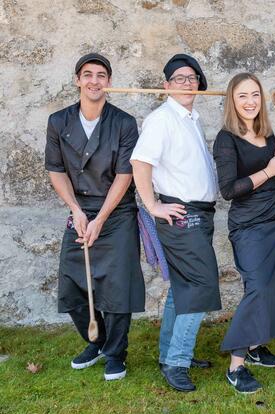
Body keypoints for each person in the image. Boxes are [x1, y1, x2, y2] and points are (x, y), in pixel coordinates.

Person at [44, 53, 145, 381]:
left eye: (101, 75)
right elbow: (56, 170)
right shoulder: (59, 122)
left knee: (117, 287)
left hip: (116, 213)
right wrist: (76, 210)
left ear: (109, 82)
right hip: (79, 210)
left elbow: (124, 174)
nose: (94, 81)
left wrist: (100, 218)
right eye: (87, 75)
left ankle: (116, 352)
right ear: (77, 80)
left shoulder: (124, 123)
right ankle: (98, 340)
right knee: (72, 285)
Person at [130, 54, 221, 392]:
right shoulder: (162, 119)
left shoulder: (190, 117)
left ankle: (171, 351)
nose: (187, 82)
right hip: (183, 215)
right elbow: (140, 162)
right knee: (200, 286)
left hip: (201, 213)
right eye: (179, 78)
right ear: (165, 85)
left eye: (192, 77)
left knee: (183, 289)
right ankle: (176, 361)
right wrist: (152, 204)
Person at [212, 73, 275, 394]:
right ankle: (236, 365)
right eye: (243, 96)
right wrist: (268, 170)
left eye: (255, 95)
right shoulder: (225, 139)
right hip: (249, 225)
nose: (250, 102)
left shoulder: (268, 133)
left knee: (271, 285)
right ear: (233, 100)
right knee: (257, 287)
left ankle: (257, 346)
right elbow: (229, 189)